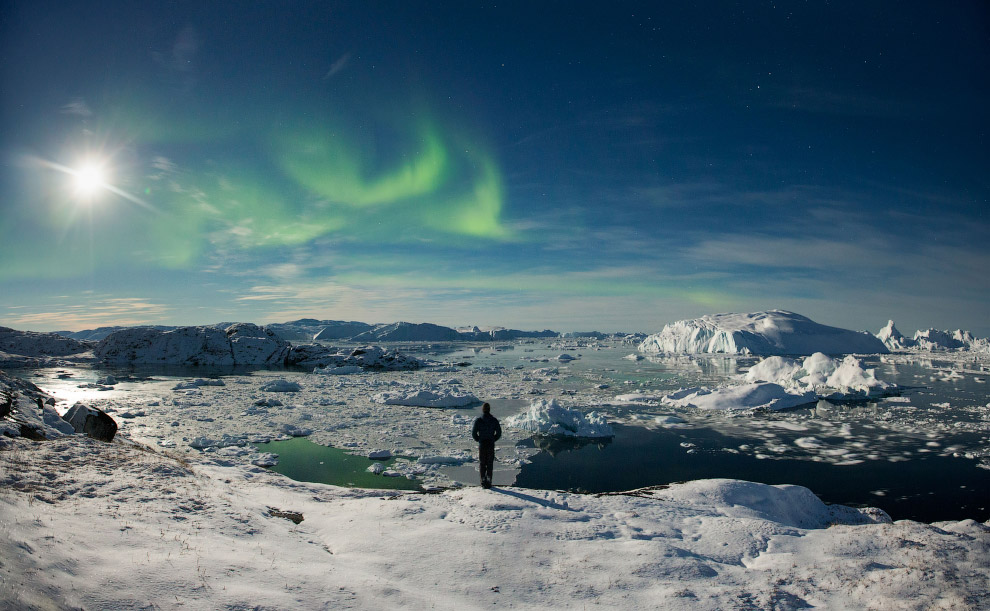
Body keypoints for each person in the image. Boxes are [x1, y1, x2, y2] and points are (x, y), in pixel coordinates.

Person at [471, 402, 501, 489]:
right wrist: (493, 439)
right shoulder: (494, 420)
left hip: (482, 444)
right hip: (490, 444)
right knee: (490, 463)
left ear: (483, 409)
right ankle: (489, 480)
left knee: (482, 463)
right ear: (489, 409)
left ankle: (483, 480)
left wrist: (479, 439)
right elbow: (499, 433)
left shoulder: (479, 420)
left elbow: (474, 433)